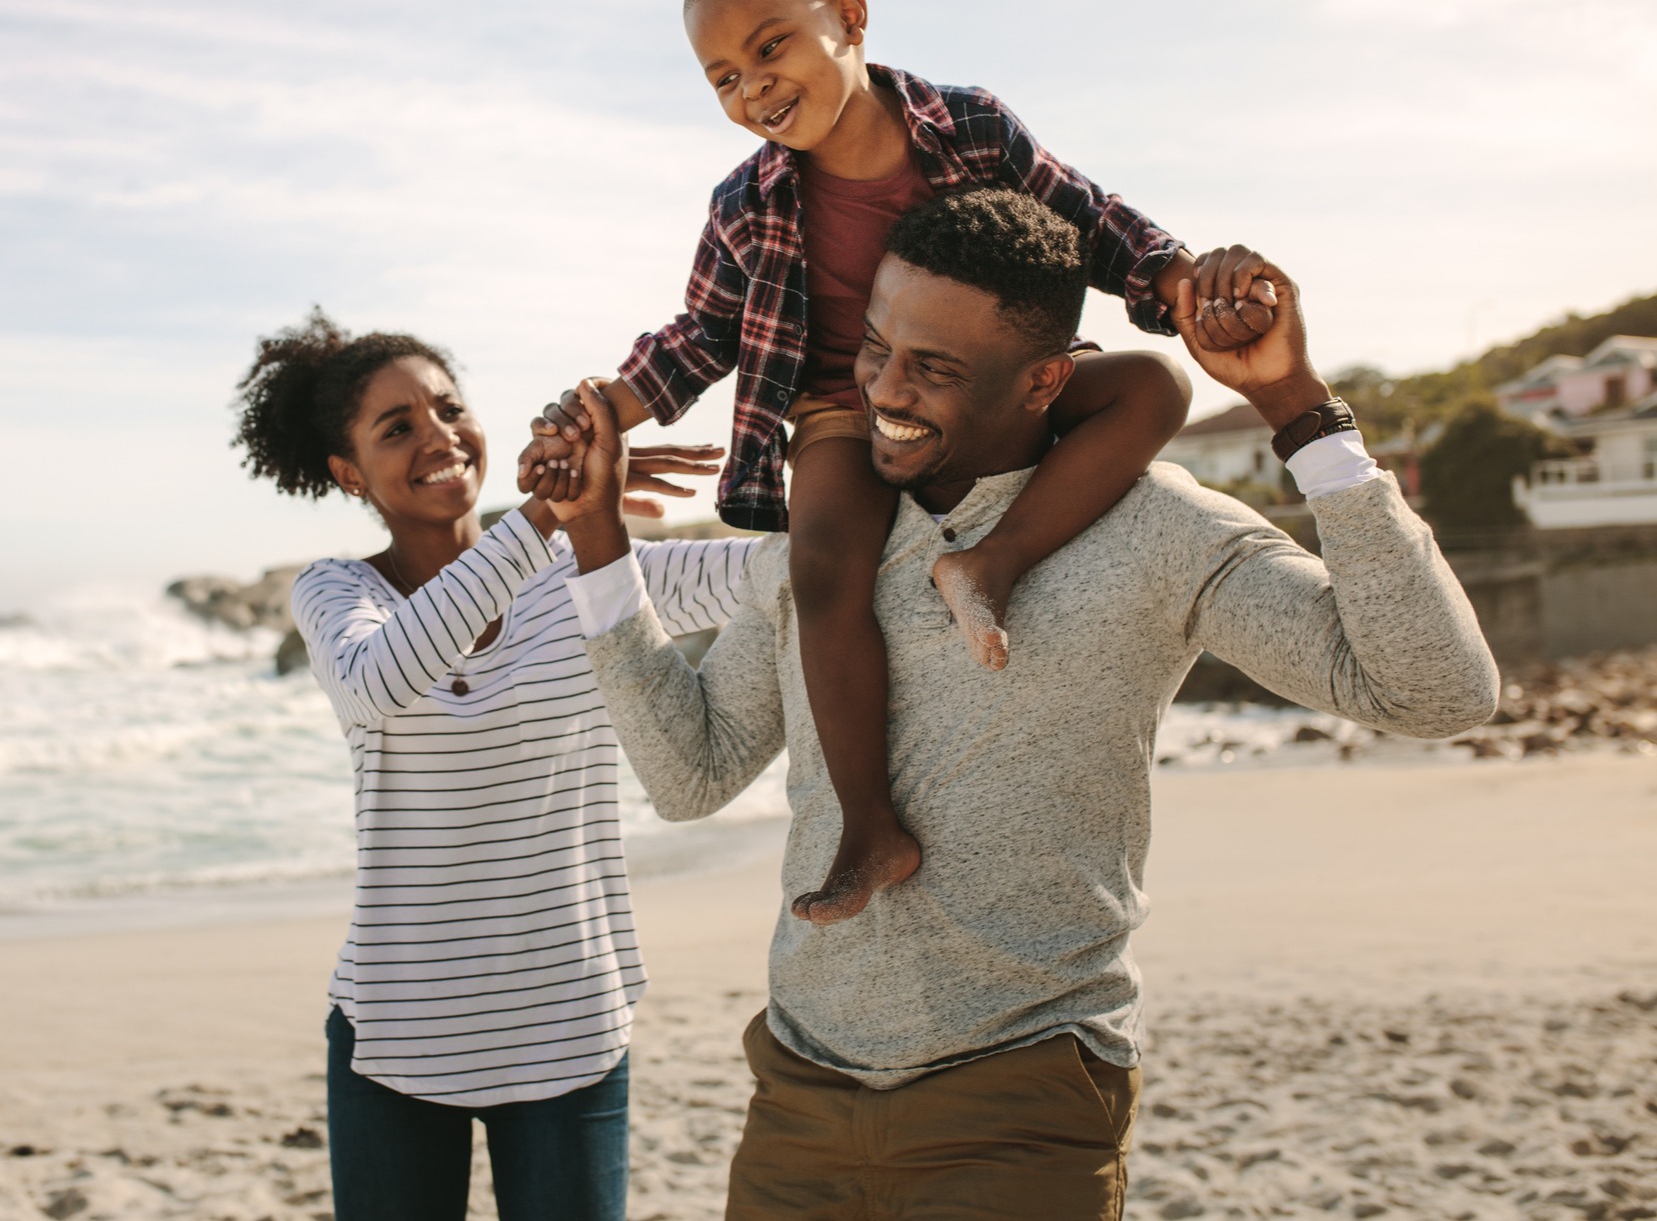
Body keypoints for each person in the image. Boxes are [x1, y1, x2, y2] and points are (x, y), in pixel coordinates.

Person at [542, 188, 1499, 1221]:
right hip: (800, 1097)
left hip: (1022, 1104)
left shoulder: (1155, 531)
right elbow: (689, 774)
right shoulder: (823, 547)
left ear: (1046, 379)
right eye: (874, 347)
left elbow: (1435, 689)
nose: (883, 391)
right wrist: (597, 538)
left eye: (935, 368)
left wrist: (1296, 406)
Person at [525, 0, 1278, 926]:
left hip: (984, 387)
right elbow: (701, 333)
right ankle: (868, 826)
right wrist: (603, 407)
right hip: (843, 404)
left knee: (1154, 391)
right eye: (721, 79)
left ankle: (991, 563)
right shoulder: (744, 202)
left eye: (769, 49)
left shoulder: (969, 128)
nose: (751, 91)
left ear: (848, 17)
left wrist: (1179, 279)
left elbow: (1089, 220)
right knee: (825, 562)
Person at [230, 310, 750, 1221]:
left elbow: (779, 574)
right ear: (348, 473)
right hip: (396, 1036)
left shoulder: (590, 571)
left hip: (571, 1029)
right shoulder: (336, 592)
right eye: (397, 429)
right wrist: (545, 515)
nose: (438, 436)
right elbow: (378, 680)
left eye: (447, 407)